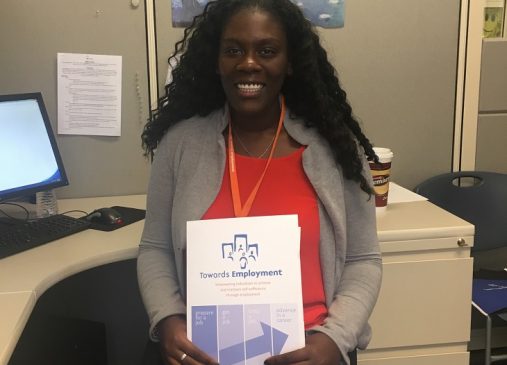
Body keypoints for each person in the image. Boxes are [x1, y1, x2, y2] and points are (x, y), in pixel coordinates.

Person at [137, 1, 382, 365]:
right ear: (216, 61)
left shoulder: (335, 147)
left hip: (309, 350)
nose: (248, 63)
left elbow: (364, 260)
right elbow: (154, 249)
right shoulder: (181, 145)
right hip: (206, 351)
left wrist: (335, 339)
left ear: (290, 62)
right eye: (233, 50)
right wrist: (168, 319)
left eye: (267, 51)